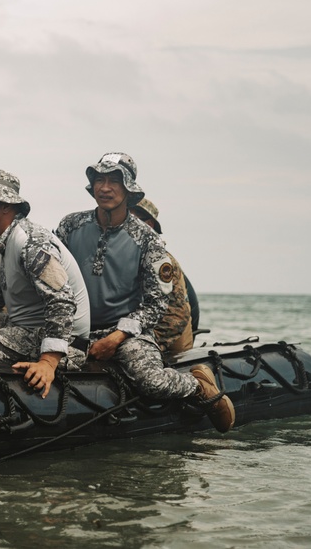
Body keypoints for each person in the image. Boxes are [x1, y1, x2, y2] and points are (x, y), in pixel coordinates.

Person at [56, 152, 234, 432]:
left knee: (151, 380)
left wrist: (117, 337)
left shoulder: (148, 240)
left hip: (128, 333)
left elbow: (155, 304)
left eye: (114, 180)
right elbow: (56, 280)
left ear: (129, 189)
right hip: (79, 331)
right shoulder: (70, 226)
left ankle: (197, 385)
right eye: (99, 180)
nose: (105, 187)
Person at [0, 169, 90, 398]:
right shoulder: (0, 245)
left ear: (6, 205)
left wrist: (48, 361)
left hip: (61, 341)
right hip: (25, 326)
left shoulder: (30, 241)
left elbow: (63, 301)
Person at [130, 197, 195, 353]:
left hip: (169, 341)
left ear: (149, 224)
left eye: (131, 220)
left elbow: (176, 315)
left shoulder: (163, 261)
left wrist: (146, 344)